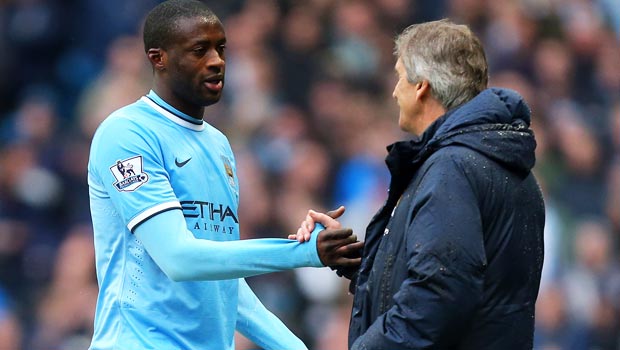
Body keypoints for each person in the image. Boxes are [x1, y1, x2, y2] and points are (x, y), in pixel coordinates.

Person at [86, 1, 362, 349]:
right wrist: (303, 254)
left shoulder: (218, 145)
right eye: (199, 50)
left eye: (221, 48)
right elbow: (179, 258)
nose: (216, 61)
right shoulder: (127, 134)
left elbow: (226, 287)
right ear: (159, 58)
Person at [295, 19, 545, 349]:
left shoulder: (452, 168)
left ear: (421, 87)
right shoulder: (502, 162)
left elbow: (438, 295)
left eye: (400, 77)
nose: (394, 91)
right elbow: (459, 277)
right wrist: (358, 259)